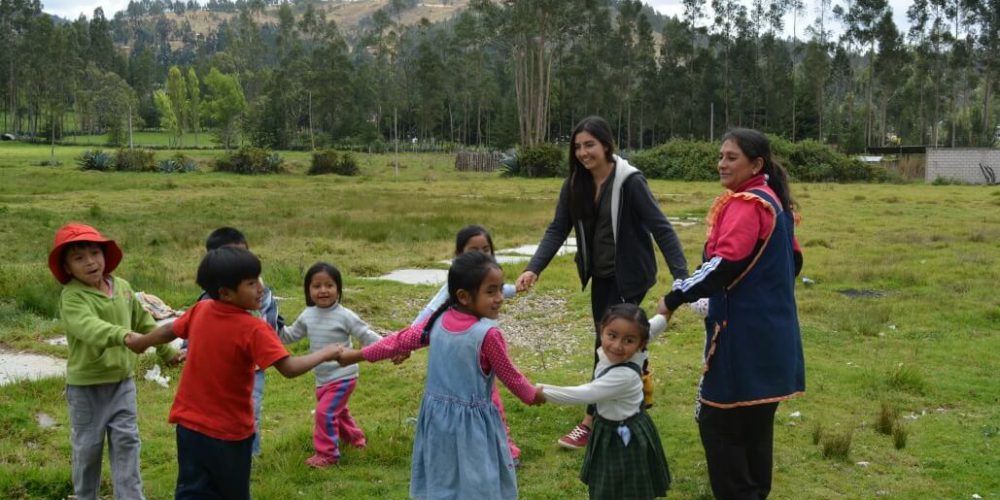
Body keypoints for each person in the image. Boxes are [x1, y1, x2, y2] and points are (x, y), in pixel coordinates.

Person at [514, 115, 689, 449]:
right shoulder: (575, 184)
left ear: (606, 145)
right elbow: (557, 228)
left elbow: (661, 227)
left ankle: (590, 422)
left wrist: (682, 277)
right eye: (577, 146)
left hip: (631, 275)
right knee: (617, 339)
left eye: (589, 145)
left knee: (607, 343)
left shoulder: (629, 181)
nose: (583, 153)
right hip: (601, 275)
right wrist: (533, 268)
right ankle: (638, 388)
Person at [657, 128, 805, 499]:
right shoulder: (776, 203)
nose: (722, 163)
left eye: (731, 157)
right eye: (721, 156)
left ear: (756, 163)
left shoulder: (747, 205)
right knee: (756, 425)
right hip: (776, 334)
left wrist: (674, 297)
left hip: (742, 339)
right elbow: (795, 261)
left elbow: (723, 264)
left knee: (719, 422)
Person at [126, 246, 341, 500]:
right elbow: (289, 368)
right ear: (225, 293)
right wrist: (326, 353)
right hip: (229, 433)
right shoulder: (254, 328)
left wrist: (143, 342)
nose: (261, 288)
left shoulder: (201, 310)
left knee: (192, 491)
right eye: (251, 283)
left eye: (259, 279)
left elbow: (169, 330)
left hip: (189, 426)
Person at [337, 251, 544, 500]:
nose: (500, 298)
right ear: (464, 296)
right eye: (491, 291)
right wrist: (532, 395)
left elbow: (398, 342)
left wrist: (355, 356)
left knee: (443, 479)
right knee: (478, 481)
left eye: (500, 289)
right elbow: (511, 376)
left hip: (438, 423)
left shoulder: (437, 322)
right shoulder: (487, 335)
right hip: (473, 427)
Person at [47, 222, 181, 500]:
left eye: (95, 253)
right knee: (87, 450)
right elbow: (89, 327)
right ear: (67, 268)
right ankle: (86, 496)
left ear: (105, 255)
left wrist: (167, 352)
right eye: (78, 258)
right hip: (86, 390)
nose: (90, 262)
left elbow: (144, 322)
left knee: (127, 444)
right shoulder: (72, 297)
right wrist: (124, 336)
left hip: (122, 385)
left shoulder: (122, 287)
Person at [410, 224, 522, 462]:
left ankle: (505, 448)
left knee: (491, 403)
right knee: (474, 406)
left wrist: (517, 289)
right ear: (458, 255)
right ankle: (489, 449)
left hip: (481, 361)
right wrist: (409, 343)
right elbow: (428, 315)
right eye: (474, 250)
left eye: (486, 249)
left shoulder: (488, 282)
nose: (481, 255)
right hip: (459, 367)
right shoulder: (452, 290)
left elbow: (503, 289)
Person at [538, 304, 671, 500]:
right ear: (602, 331)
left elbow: (584, 394)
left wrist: (539, 391)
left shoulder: (623, 376)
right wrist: (666, 310)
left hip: (626, 436)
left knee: (629, 486)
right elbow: (654, 325)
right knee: (609, 484)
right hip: (607, 427)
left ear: (641, 344)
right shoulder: (627, 349)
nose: (617, 345)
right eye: (612, 335)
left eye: (628, 340)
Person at [190, 227, 284, 457]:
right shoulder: (206, 301)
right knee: (218, 413)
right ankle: (222, 453)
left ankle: (250, 455)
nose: (238, 263)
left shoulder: (259, 290)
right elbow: (191, 327)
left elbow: (271, 320)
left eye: (243, 255)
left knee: (250, 409)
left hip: (252, 366)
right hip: (218, 368)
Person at [279, 261, 383, 468]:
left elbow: (366, 334)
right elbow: (290, 336)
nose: (323, 290)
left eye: (329, 285)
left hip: (343, 376)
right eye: (316, 286)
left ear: (339, 289)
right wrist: (276, 326)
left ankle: (327, 454)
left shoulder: (345, 316)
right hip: (322, 378)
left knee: (324, 413)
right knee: (339, 412)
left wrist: (389, 347)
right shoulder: (307, 315)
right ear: (308, 290)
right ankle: (356, 441)